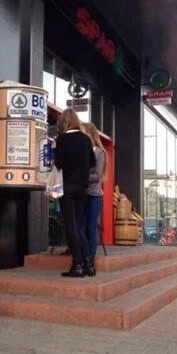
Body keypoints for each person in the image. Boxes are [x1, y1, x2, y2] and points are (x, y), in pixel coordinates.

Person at [54, 109, 96, 278]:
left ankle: (77, 264)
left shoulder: (62, 139)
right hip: (83, 187)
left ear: (63, 122)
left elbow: (58, 163)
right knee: (77, 224)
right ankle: (89, 264)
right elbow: (92, 162)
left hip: (68, 186)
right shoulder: (86, 139)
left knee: (70, 225)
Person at [79, 122, 106, 277]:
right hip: (81, 194)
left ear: (89, 133)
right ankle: (82, 258)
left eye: (83, 132)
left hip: (94, 195)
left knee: (90, 228)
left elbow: (97, 176)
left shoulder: (99, 152)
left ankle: (90, 261)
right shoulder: (82, 151)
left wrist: (80, 176)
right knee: (80, 228)